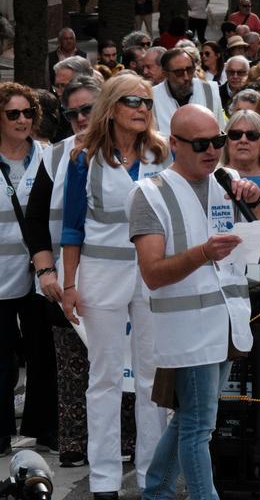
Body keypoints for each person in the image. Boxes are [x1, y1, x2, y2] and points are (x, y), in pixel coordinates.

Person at [129, 105, 260, 500]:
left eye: (218, 140)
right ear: (174, 144)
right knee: (199, 426)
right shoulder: (149, 194)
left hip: (227, 320)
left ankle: (157, 490)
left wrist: (257, 200)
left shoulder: (227, 181)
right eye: (201, 144)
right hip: (187, 329)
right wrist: (203, 253)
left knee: (191, 420)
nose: (213, 150)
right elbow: (153, 273)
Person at [60, 73, 171, 498]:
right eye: (132, 101)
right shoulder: (82, 157)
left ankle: (150, 476)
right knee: (104, 378)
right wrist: (69, 284)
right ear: (112, 105)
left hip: (152, 275)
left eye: (146, 101)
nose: (142, 108)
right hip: (99, 275)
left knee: (151, 378)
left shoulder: (162, 153)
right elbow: (72, 228)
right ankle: (104, 478)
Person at [22, 77, 104, 466]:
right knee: (71, 372)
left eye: (88, 109)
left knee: (116, 369)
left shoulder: (135, 151)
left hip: (117, 280)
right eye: (72, 113)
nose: (80, 119)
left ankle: (123, 442)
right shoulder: (54, 155)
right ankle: (73, 443)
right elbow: (35, 219)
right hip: (61, 284)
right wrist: (45, 271)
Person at [0, 83, 55, 457]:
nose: (22, 120)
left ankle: (45, 429)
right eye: (13, 114)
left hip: (40, 272)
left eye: (28, 113)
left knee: (43, 354)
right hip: (1, 275)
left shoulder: (49, 157)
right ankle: (1, 433)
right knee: (2, 358)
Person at [152, 48, 226, 134]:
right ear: (165, 74)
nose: (186, 77)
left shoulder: (209, 89)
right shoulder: (153, 96)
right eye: (179, 72)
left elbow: (221, 129)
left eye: (190, 70)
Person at [220, 110, 260, 176]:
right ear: (226, 142)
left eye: (252, 135)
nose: (243, 140)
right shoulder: (212, 181)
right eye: (235, 134)